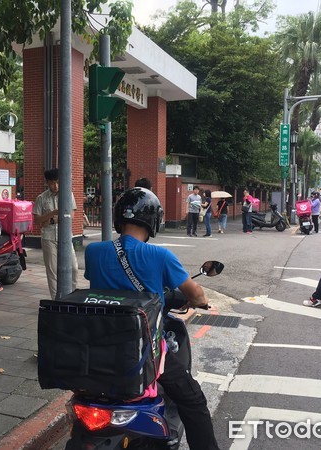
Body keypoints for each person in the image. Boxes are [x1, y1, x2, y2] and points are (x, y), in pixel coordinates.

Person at [84, 187, 219, 450]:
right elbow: (196, 293)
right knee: (193, 401)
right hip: (146, 354)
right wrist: (199, 302)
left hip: (100, 348)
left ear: (118, 218)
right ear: (153, 221)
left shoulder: (93, 251)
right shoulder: (160, 256)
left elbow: (102, 288)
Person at [33, 168, 79, 299]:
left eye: (58, 182)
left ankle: (72, 297)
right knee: (52, 271)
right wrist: (53, 214)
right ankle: (56, 300)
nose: (56, 186)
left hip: (65, 236)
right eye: (52, 183)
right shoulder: (41, 198)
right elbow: (37, 220)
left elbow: (71, 216)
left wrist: (49, 220)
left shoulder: (68, 194)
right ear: (47, 182)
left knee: (74, 268)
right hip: (48, 237)